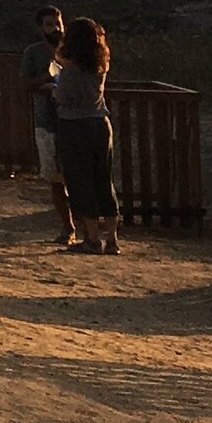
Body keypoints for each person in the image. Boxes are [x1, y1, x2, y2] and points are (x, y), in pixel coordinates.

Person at [51, 16, 121, 254]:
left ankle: (92, 238)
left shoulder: (71, 70)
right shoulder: (101, 64)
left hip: (74, 125)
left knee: (81, 180)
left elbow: (61, 97)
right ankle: (112, 239)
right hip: (100, 122)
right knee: (104, 179)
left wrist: (55, 85)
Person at [19, 5, 69, 239]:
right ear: (40, 28)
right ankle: (67, 226)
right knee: (55, 179)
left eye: (58, 24)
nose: (56, 29)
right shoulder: (33, 53)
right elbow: (26, 84)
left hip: (73, 121)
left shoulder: (72, 51)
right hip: (47, 121)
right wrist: (46, 80)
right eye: (50, 25)